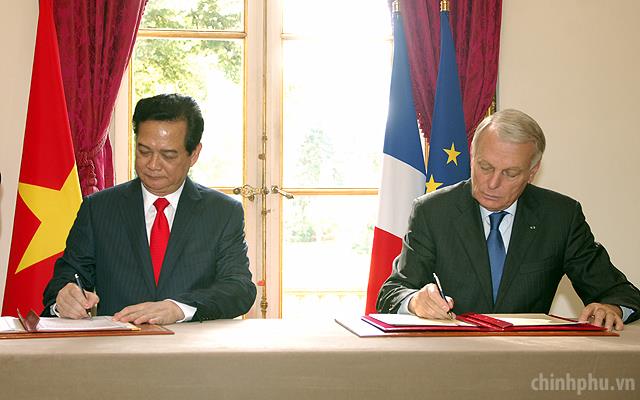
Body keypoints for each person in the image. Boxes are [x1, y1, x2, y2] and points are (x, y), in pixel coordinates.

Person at [377, 109, 640, 330]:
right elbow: (392, 293)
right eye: (485, 167)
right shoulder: (433, 211)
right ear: (472, 156)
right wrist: (415, 301)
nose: (493, 183)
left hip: (530, 361)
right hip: (451, 357)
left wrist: (611, 308)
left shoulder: (560, 216)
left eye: (510, 173)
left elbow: (623, 293)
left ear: (533, 172)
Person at [42, 94, 256, 324]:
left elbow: (239, 288)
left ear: (194, 154)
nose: (153, 165)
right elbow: (66, 278)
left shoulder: (222, 212)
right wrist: (65, 298)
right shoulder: (98, 208)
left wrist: (179, 309)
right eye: (144, 151)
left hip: (191, 344)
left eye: (168, 155)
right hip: (117, 343)